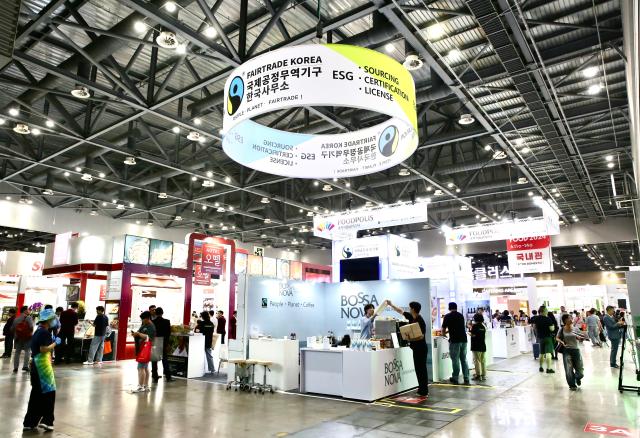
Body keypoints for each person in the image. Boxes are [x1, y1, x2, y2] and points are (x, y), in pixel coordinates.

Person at [22, 308, 60, 431]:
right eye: (53, 318)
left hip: (35, 365)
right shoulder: (44, 333)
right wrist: (55, 343)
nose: (55, 320)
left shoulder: (38, 331)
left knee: (36, 394)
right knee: (49, 393)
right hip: (43, 367)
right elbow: (44, 349)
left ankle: (30, 422)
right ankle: (47, 421)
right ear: (48, 320)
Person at [388, 300, 429, 396]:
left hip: (421, 348)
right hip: (416, 348)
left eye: (410, 308)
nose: (409, 309)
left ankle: (424, 390)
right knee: (418, 369)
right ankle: (421, 388)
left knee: (421, 369)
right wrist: (391, 304)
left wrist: (409, 338)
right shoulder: (412, 317)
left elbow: (421, 336)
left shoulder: (420, 320)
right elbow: (400, 311)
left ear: (413, 309)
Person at [442, 302, 470, 385]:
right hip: (464, 340)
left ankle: (455, 378)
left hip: (455, 341)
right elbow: (457, 327)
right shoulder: (461, 315)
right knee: (464, 359)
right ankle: (466, 378)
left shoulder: (447, 316)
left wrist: (444, 334)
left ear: (449, 308)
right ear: (456, 308)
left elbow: (443, 329)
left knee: (455, 360)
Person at [556, 313, 585, 391]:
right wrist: (562, 342)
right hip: (566, 350)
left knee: (580, 370)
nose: (571, 319)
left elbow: (580, 337)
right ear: (565, 320)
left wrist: (581, 338)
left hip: (576, 350)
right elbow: (557, 338)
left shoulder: (575, 328)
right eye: (569, 318)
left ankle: (577, 377)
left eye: (571, 318)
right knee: (568, 369)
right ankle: (572, 385)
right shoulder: (562, 329)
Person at [131, 311, 156, 392]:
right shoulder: (144, 325)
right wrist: (136, 334)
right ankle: (146, 385)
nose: (142, 320)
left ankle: (140, 386)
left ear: (148, 318)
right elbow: (140, 333)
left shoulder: (151, 326)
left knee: (140, 367)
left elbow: (149, 338)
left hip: (145, 349)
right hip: (142, 348)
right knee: (145, 367)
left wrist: (138, 334)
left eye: (143, 319)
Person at [151, 307, 173, 382]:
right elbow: (168, 333)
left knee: (154, 360)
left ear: (156, 313)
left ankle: (154, 375)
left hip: (155, 341)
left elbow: (152, 333)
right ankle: (168, 376)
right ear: (162, 313)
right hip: (164, 341)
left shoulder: (152, 322)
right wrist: (167, 343)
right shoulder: (167, 321)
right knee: (165, 359)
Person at [532, 306, 555, 373]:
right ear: (542, 311)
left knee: (541, 353)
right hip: (548, 337)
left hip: (540, 338)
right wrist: (552, 327)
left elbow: (534, 327)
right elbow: (552, 329)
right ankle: (548, 368)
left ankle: (541, 367)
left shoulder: (536, 319)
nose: (547, 311)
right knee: (548, 354)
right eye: (546, 310)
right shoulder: (548, 319)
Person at [12, 305, 34, 373]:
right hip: (27, 338)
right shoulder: (29, 318)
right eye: (28, 310)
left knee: (17, 352)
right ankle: (25, 366)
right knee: (27, 351)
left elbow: (12, 329)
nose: (29, 311)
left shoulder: (16, 319)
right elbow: (31, 327)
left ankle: (15, 367)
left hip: (18, 338)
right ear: (25, 310)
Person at [470, 313, 487, 381]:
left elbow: (473, 335)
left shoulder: (475, 326)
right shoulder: (483, 326)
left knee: (477, 361)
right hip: (483, 345)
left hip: (476, 346)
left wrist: (469, 334)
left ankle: (478, 374)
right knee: (483, 361)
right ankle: (483, 374)